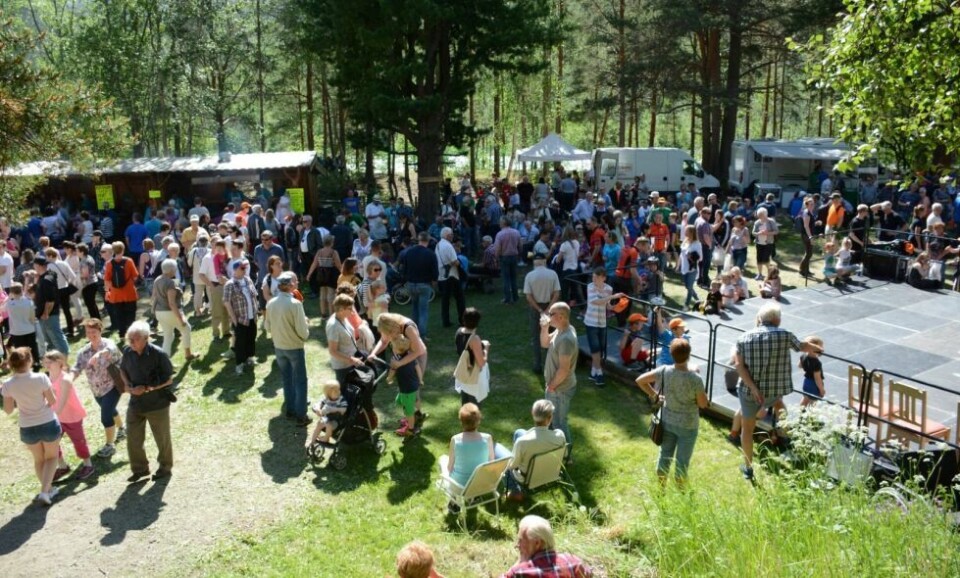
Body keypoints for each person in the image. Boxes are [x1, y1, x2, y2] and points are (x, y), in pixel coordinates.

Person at [735, 302, 822, 481]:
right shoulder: (785, 335)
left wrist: (753, 387)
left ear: (760, 319)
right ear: (778, 320)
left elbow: (739, 366)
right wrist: (819, 349)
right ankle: (785, 434)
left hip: (750, 392)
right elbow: (803, 346)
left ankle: (748, 468)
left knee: (747, 430)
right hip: (775, 390)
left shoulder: (743, 338)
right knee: (779, 403)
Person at [635, 339, 708, 487]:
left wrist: (654, 395)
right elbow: (702, 404)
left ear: (671, 354)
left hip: (667, 421)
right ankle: (681, 492)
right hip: (688, 425)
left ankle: (661, 489)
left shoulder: (664, 370)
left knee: (665, 455)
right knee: (682, 462)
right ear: (689, 355)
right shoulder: (695, 379)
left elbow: (640, 380)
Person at [2, 347, 63, 505]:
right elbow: (52, 401)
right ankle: (45, 491)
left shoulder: (7, 384)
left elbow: (8, 410)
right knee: (51, 457)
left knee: (39, 460)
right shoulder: (41, 377)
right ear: (29, 361)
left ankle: (47, 490)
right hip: (47, 422)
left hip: (27, 427)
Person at [119, 321, 175, 482]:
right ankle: (140, 469)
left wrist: (148, 388)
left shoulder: (159, 354)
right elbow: (122, 369)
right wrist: (128, 386)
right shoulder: (128, 352)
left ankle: (165, 467)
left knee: (162, 438)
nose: (131, 342)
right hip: (135, 403)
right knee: (133, 437)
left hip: (157, 404)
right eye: (129, 339)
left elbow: (169, 379)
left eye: (134, 339)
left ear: (145, 338)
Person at [71, 318, 125, 457]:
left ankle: (109, 445)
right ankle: (122, 429)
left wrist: (100, 353)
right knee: (110, 409)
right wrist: (69, 378)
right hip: (97, 390)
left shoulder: (109, 344)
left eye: (94, 331)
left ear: (100, 331)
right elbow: (77, 367)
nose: (91, 335)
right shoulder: (83, 352)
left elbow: (111, 350)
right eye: (88, 332)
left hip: (113, 386)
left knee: (106, 414)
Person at [265, 272, 311, 426]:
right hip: (294, 347)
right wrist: (306, 327)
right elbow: (302, 331)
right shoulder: (295, 304)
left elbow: (267, 326)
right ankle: (301, 415)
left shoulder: (271, 303)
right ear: (290, 286)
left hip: (279, 348)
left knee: (286, 379)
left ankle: (290, 409)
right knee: (300, 381)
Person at [373, 312, 427, 437]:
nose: (390, 337)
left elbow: (418, 351)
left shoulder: (408, 328)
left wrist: (399, 364)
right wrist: (373, 353)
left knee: (413, 390)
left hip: (417, 355)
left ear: (394, 326)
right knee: (410, 393)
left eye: (391, 333)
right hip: (404, 358)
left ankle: (413, 421)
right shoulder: (390, 328)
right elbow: (383, 340)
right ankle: (413, 416)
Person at [45, 351, 96, 481]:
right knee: (51, 441)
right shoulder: (49, 376)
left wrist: (48, 414)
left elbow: (61, 403)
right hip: (57, 417)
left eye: (50, 362)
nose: (47, 364)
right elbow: (51, 397)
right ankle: (62, 466)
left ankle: (88, 465)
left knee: (79, 441)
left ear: (60, 362)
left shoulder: (65, 380)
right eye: (45, 362)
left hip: (71, 417)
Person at [504, 400, 566, 501]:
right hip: (551, 473)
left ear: (533, 415)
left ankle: (515, 492)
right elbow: (565, 455)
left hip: (528, 478)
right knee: (519, 432)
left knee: (504, 464)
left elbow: (512, 465)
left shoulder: (522, 442)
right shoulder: (560, 435)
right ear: (550, 417)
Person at [438, 402, 495, 512]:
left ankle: (454, 501)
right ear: (478, 420)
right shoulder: (487, 438)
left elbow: (450, 467)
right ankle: (473, 497)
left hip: (460, 487)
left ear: (461, 421)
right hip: (480, 484)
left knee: (442, 459)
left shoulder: (456, 439)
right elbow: (490, 462)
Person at [540, 302, 578, 461]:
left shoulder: (567, 339)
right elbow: (544, 343)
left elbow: (564, 369)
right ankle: (557, 450)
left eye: (551, 314)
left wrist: (552, 387)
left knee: (560, 423)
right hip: (555, 386)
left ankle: (567, 456)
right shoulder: (560, 330)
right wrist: (544, 328)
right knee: (553, 421)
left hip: (560, 388)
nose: (549, 316)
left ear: (561, 316)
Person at [501, 515, 592, 578]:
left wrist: (519, 562)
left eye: (520, 540)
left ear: (537, 543)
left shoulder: (520, 572)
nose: (517, 545)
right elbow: (589, 574)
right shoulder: (574, 562)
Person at [583, 267, 624, 386]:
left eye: (596, 277)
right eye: (593, 276)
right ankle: (599, 373)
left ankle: (593, 372)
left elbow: (607, 306)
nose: (593, 279)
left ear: (603, 278)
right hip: (590, 322)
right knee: (595, 348)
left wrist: (617, 306)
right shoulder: (590, 287)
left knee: (599, 349)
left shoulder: (609, 289)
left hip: (602, 322)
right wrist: (613, 297)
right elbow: (596, 301)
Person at [523, 251, 561, 373]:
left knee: (536, 337)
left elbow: (528, 296)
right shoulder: (553, 274)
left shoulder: (530, 276)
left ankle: (537, 365)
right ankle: (551, 363)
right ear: (545, 261)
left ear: (535, 262)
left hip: (535, 308)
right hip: (550, 307)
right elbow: (556, 293)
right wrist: (548, 308)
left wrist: (539, 309)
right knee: (551, 336)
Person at [396, 232, 439, 338]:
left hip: (411, 283)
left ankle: (413, 333)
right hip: (424, 284)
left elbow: (403, 268)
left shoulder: (409, 252)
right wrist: (434, 281)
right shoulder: (430, 254)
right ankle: (422, 335)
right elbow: (435, 272)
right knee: (423, 310)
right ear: (428, 241)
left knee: (414, 308)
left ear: (418, 240)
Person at [152, 259, 194, 361]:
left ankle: (165, 363)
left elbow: (153, 297)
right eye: (175, 269)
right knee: (186, 329)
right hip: (169, 312)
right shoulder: (170, 283)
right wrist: (180, 318)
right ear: (171, 270)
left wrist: (153, 311)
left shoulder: (157, 279)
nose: (175, 270)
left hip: (159, 312)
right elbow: (172, 303)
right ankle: (188, 354)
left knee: (168, 336)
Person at [223, 260, 259, 374]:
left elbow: (254, 296)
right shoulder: (230, 284)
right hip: (240, 319)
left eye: (245, 268)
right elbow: (227, 302)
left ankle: (249, 358)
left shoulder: (248, 280)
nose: (245, 270)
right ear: (235, 270)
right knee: (240, 343)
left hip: (252, 317)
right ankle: (239, 364)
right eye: (242, 268)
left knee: (251, 338)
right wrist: (234, 320)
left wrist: (256, 312)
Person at [33, 255, 70, 356]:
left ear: (38, 265)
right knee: (49, 339)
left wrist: (46, 313)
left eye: (34, 265)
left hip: (49, 314)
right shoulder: (47, 275)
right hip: (43, 314)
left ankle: (64, 356)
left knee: (56, 336)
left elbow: (50, 300)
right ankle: (55, 359)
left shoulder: (46, 280)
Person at [454, 307, 489, 406]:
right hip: (473, 377)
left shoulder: (459, 332)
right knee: (474, 410)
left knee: (465, 406)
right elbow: (481, 363)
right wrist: (486, 349)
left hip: (463, 373)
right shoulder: (475, 339)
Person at [104, 241, 140, 338]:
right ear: (123, 249)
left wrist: (107, 292)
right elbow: (136, 276)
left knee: (119, 315)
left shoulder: (109, 264)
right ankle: (132, 333)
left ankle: (122, 333)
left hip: (116, 295)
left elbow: (107, 280)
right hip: (129, 293)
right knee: (131, 314)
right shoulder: (129, 261)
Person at [306, 234, 343, 318]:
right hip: (331, 275)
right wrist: (343, 274)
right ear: (331, 243)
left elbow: (314, 263)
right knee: (331, 295)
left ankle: (323, 314)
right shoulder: (334, 252)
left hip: (321, 274)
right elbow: (338, 265)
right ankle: (331, 314)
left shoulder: (319, 252)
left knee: (322, 294)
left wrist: (309, 274)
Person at [436, 227, 465, 327]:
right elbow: (454, 261)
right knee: (459, 298)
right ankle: (462, 320)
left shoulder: (438, 245)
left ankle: (446, 321)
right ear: (447, 235)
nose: (452, 236)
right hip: (452, 274)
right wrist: (461, 267)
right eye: (451, 234)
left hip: (442, 275)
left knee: (445, 300)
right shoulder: (448, 246)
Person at [306, 381, 348, 447]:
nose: (338, 392)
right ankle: (312, 441)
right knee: (319, 424)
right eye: (335, 392)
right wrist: (318, 409)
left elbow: (344, 410)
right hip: (326, 418)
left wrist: (335, 409)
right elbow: (320, 403)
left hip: (336, 421)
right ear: (328, 394)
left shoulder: (341, 399)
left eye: (338, 390)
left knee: (329, 426)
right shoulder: (327, 399)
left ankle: (325, 439)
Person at [493, 217, 523, 304]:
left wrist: (496, 257)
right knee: (513, 277)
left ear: (503, 223)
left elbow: (498, 248)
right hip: (514, 256)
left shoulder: (500, 234)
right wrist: (519, 254)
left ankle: (507, 298)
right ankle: (515, 297)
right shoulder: (516, 232)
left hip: (504, 257)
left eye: (500, 222)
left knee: (506, 278)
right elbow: (520, 245)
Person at [678, 225, 702, 311]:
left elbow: (700, 258)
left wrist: (691, 257)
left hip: (692, 269)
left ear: (692, 232)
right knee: (688, 287)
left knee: (689, 286)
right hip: (684, 267)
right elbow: (681, 254)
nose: (684, 231)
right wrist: (678, 265)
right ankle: (698, 299)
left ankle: (686, 305)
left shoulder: (697, 244)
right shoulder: (685, 241)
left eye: (686, 230)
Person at [751, 208, 778, 281]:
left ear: (765, 215)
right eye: (758, 215)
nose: (759, 217)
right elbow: (753, 233)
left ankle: (770, 273)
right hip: (759, 243)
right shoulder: (757, 222)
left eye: (761, 215)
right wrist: (758, 233)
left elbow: (776, 231)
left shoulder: (771, 221)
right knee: (759, 259)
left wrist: (767, 233)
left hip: (768, 243)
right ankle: (760, 274)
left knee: (766, 259)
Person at [799, 336, 825, 408]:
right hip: (813, 384)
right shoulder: (816, 363)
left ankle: (801, 413)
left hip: (806, 382)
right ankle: (811, 416)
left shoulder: (803, 356)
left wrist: (807, 366)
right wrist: (821, 389)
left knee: (805, 398)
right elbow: (817, 378)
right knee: (814, 401)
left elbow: (800, 366)